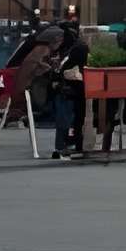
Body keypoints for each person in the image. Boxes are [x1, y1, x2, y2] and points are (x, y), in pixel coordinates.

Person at [49, 20, 88, 160]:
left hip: (68, 89)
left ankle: (63, 145)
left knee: (65, 119)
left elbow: (62, 69)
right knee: (70, 119)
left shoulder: (72, 49)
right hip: (74, 89)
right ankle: (68, 145)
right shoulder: (77, 47)